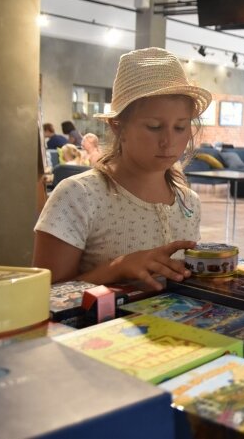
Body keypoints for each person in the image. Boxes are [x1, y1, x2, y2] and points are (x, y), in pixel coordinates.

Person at [33, 47, 212, 291]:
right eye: (154, 126)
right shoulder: (78, 197)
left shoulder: (188, 202)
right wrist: (117, 268)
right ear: (118, 126)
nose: (168, 141)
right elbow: (45, 294)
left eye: (180, 127)